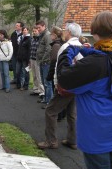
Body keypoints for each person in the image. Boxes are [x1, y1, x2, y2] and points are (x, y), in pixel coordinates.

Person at [57, 11, 112, 169]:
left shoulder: (93, 64)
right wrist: (89, 50)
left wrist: (69, 51)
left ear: (94, 32)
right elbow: (106, 58)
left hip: (99, 129)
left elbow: (64, 78)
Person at [38, 21, 82, 149]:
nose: (63, 32)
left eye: (65, 30)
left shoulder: (66, 47)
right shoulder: (82, 47)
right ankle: (72, 140)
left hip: (66, 85)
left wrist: (57, 84)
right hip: (77, 86)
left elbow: (59, 67)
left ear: (69, 32)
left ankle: (51, 141)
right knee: (72, 113)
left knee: (50, 111)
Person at [45, 26, 65, 118]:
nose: (50, 35)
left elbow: (53, 61)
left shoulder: (56, 46)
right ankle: (62, 114)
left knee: (57, 94)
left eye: (51, 34)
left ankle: (59, 115)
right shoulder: (61, 43)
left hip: (57, 73)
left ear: (55, 35)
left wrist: (50, 75)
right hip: (62, 72)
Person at [36, 20, 53, 106]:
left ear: (44, 26)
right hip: (42, 62)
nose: (38, 29)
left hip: (46, 62)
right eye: (37, 28)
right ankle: (46, 99)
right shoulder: (42, 35)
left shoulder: (47, 35)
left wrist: (42, 60)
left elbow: (48, 49)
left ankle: (49, 102)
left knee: (47, 83)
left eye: (39, 27)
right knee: (44, 82)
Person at [29, 26, 45, 96]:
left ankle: (42, 91)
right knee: (34, 75)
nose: (34, 32)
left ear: (38, 31)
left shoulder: (41, 40)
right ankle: (36, 89)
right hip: (32, 58)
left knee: (39, 76)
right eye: (33, 31)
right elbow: (31, 49)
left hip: (37, 59)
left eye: (35, 31)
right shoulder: (32, 39)